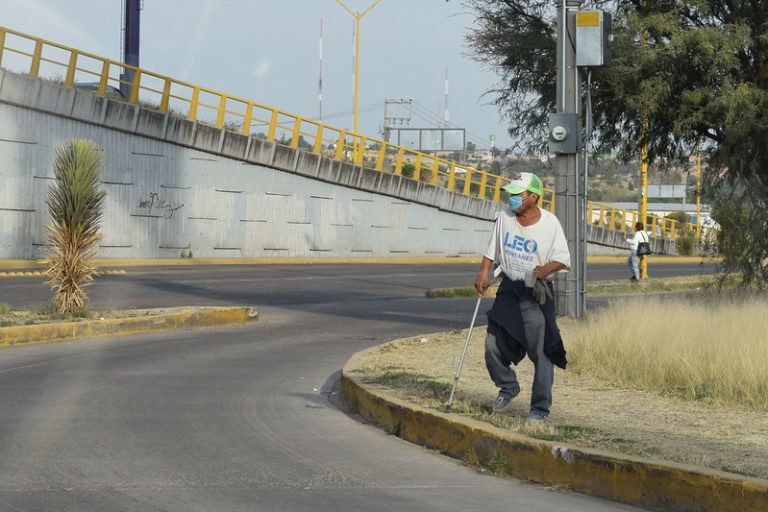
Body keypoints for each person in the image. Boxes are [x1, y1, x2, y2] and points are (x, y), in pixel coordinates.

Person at [474, 172, 571, 422]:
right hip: (509, 289)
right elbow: (491, 248)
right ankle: (508, 385)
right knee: (492, 344)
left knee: (542, 352)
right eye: (511, 194)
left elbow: (562, 258)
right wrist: (484, 272)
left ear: (534, 197)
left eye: (518, 195)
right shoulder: (504, 216)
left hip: (535, 292)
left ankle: (539, 409)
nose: (512, 199)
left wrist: (544, 270)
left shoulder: (550, 224)